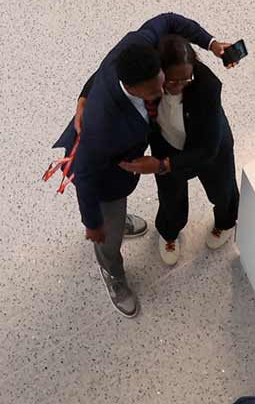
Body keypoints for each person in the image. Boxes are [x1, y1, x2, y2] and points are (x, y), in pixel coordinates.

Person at [53, 38, 166, 316]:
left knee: (117, 207)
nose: (160, 92)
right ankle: (112, 272)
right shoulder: (100, 128)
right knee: (107, 236)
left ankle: (115, 222)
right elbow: (87, 178)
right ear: (131, 87)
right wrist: (93, 225)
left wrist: (211, 44)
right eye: (153, 90)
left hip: (117, 168)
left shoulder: (129, 52)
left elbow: (167, 20)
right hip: (101, 181)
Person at [151, 34, 242, 264]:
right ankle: (169, 232)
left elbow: (208, 148)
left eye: (186, 80)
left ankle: (225, 221)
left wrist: (165, 165)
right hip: (167, 145)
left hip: (209, 146)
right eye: (172, 81)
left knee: (223, 189)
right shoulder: (148, 81)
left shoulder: (208, 87)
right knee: (170, 198)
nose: (179, 86)